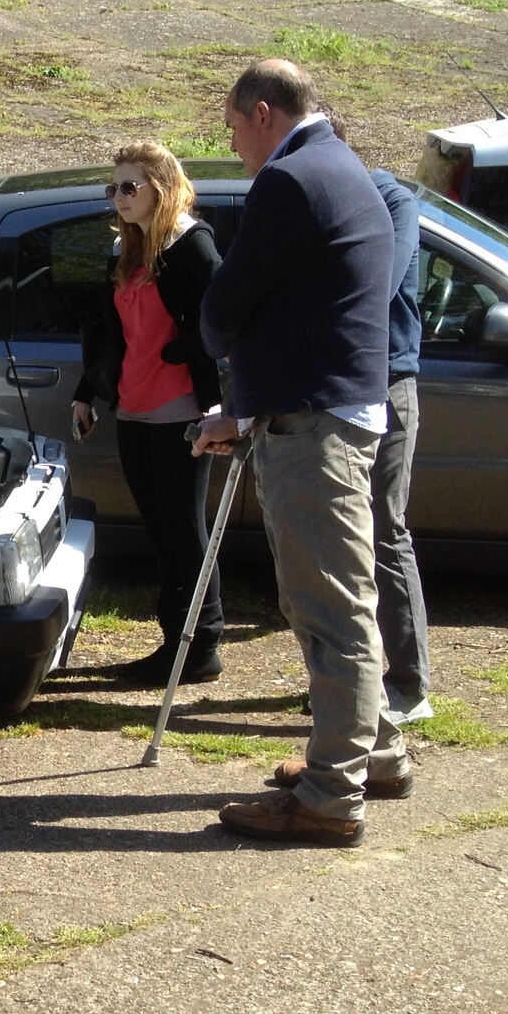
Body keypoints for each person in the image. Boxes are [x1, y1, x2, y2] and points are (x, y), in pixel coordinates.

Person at [194, 58, 407, 847]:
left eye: (233, 131)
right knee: (344, 604)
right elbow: (311, 315)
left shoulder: (291, 179)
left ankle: (328, 798)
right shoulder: (347, 167)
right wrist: (243, 409)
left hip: (315, 428)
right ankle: (371, 753)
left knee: (331, 614)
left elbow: (228, 303)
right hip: (334, 412)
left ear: (260, 112)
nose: (237, 148)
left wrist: (229, 362)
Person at [71, 141, 226, 687]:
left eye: (130, 187)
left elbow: (221, 322)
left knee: (183, 528)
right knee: (160, 530)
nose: (119, 198)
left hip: (180, 409)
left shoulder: (191, 246)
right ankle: (174, 641)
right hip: (133, 409)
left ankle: (200, 643)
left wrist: (177, 355)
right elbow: (110, 329)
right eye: (113, 188)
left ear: (161, 187)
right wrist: (86, 391)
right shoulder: (130, 247)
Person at [325, 111, 431, 723]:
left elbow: (372, 289)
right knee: (344, 538)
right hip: (335, 388)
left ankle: (410, 685)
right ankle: (356, 680)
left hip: (385, 384)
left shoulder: (389, 199)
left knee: (385, 530)